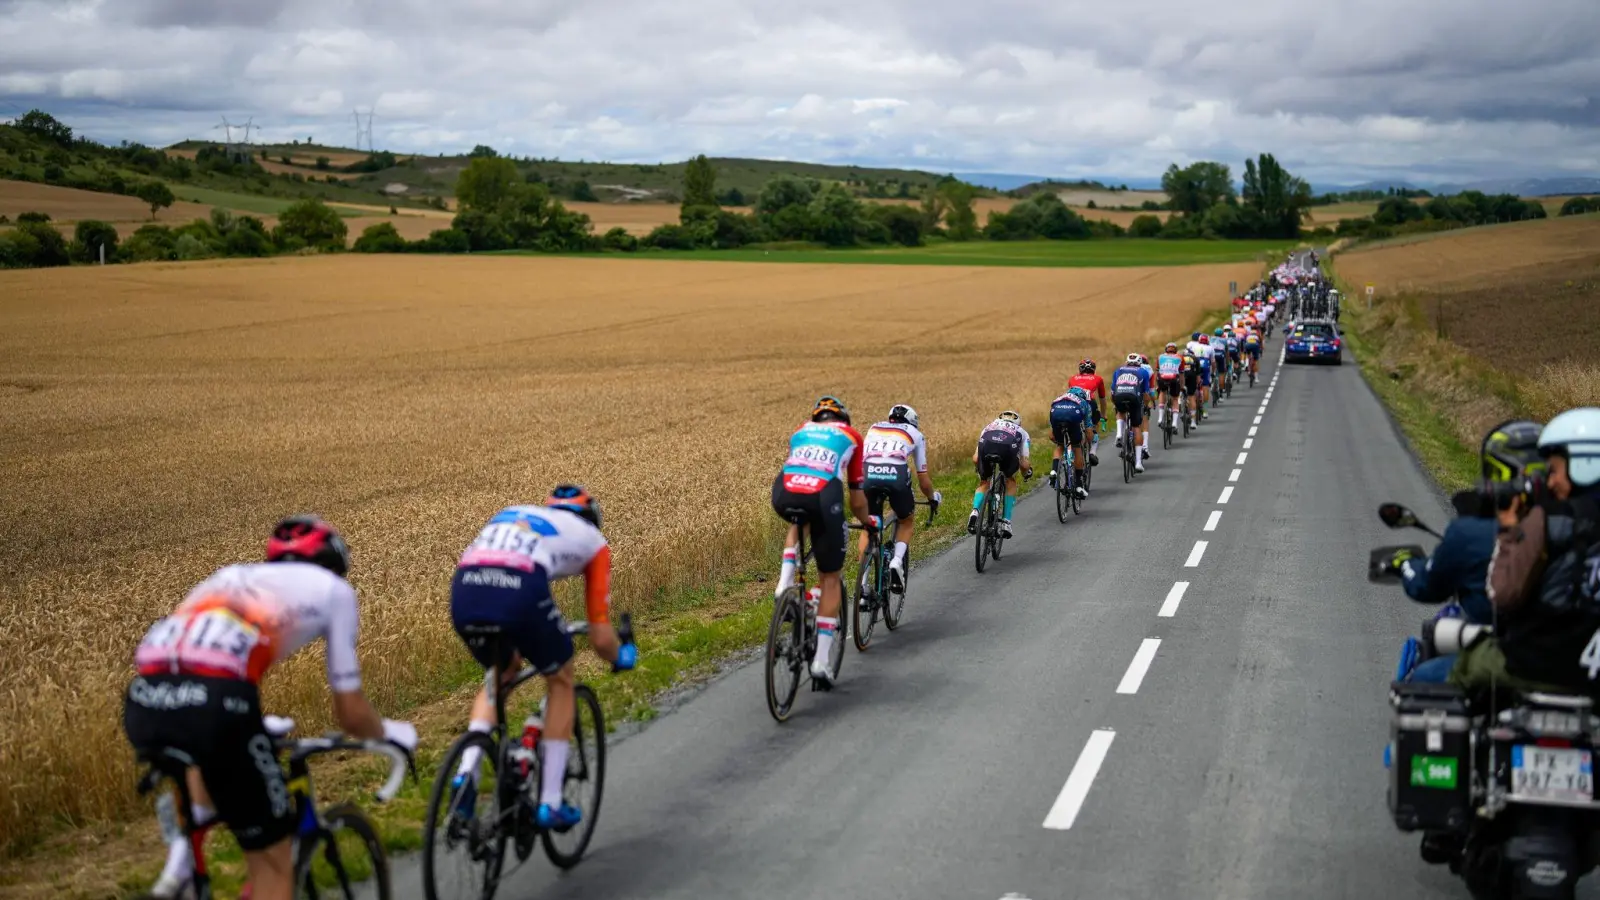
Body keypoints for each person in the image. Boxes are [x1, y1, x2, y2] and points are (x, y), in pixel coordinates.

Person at [125, 516, 418, 900]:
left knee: (210, 758)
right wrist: (393, 735)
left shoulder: (230, 577)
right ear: (334, 563)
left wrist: (250, 724)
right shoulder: (334, 591)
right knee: (275, 861)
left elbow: (195, 662)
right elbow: (349, 712)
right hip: (215, 705)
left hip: (144, 699)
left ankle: (182, 860)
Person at [448, 485, 637, 831]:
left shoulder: (515, 511)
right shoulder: (594, 541)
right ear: (592, 518)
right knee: (562, 678)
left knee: (500, 672)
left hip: (466, 587)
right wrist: (621, 655)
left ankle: (466, 773)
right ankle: (550, 802)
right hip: (520, 588)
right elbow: (600, 635)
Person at [1392, 420, 1541, 683]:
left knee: (1422, 678)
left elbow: (1426, 586)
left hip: (1508, 660)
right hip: (1569, 666)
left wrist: (1406, 565)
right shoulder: (1576, 530)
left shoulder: (1471, 534)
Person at [1463, 407, 1600, 694]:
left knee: (1461, 667)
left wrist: (1509, 531)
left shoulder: (1547, 519)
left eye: (1554, 471)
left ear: (1586, 463)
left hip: (1540, 665)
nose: (1549, 482)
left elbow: (1503, 594)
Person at [772, 396, 875, 686]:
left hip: (783, 491)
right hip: (822, 494)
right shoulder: (852, 436)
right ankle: (820, 663)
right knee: (831, 578)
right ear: (844, 420)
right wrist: (868, 522)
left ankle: (784, 584)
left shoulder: (800, 430)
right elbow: (857, 500)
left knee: (798, 521)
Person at [859, 404, 941, 593]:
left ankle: (862, 585)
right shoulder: (916, 434)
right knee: (906, 520)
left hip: (867, 474)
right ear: (913, 421)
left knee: (869, 526)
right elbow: (923, 478)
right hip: (895, 474)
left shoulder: (874, 427)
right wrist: (932, 498)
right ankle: (896, 561)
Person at [970, 410, 1033, 539]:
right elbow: (1024, 463)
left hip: (987, 444)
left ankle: (975, 512)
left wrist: (981, 470)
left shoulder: (989, 426)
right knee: (1010, 480)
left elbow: (976, 458)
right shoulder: (1022, 432)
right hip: (1008, 448)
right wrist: (1026, 473)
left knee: (984, 482)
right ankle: (1006, 522)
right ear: (1018, 423)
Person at [1110, 353, 1153, 473]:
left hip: (1119, 396)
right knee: (1136, 427)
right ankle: (1138, 462)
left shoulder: (1118, 370)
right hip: (1134, 398)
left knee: (1120, 411)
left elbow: (1112, 393)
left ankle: (1119, 434)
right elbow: (1145, 394)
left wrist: (1115, 404)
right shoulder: (1143, 371)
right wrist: (1145, 405)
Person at [1048, 386, 1093, 499]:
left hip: (1056, 412)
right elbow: (1088, 430)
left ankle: (1054, 471)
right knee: (1077, 447)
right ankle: (1078, 485)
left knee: (1060, 446)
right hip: (1073, 415)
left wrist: (1059, 441)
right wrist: (1089, 442)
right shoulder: (1084, 402)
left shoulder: (1059, 398)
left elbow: (1051, 435)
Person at [1068, 358, 1106, 465]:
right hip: (1089, 403)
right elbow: (1102, 399)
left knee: (1073, 429)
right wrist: (1103, 415)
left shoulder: (1072, 378)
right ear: (1093, 369)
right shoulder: (1098, 378)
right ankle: (1093, 452)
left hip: (1072, 404)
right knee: (1095, 424)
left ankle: (1070, 454)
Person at [1154, 342, 1184, 433]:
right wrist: (1182, 386)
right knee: (1175, 399)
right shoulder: (1180, 357)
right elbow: (1182, 374)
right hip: (1174, 379)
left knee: (1162, 392)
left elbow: (1157, 372)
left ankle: (1160, 418)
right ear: (1176, 350)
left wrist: (1156, 385)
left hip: (1162, 378)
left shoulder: (1160, 357)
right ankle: (1174, 423)